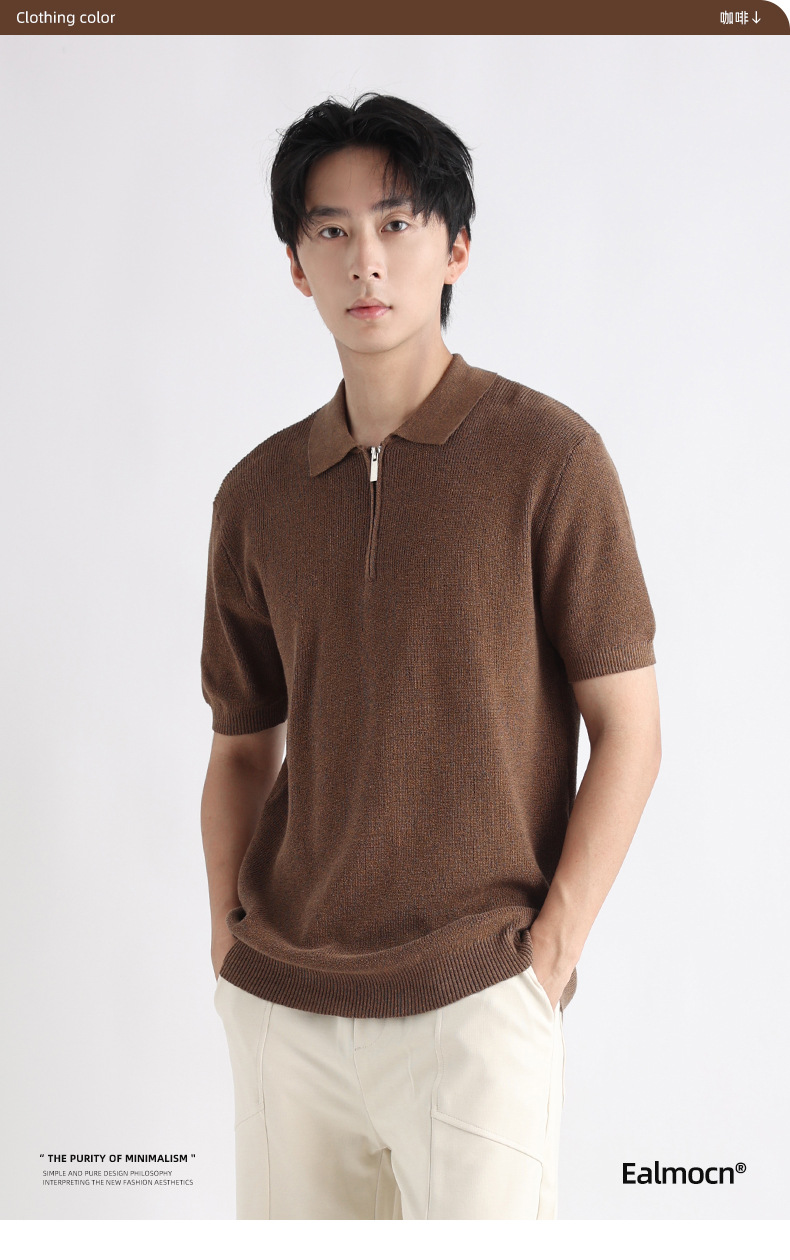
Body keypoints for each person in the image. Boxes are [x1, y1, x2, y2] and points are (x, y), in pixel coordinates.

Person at [200, 92, 661, 1221]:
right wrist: (228, 945)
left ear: (455, 247)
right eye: (331, 229)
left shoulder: (549, 458)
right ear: (296, 265)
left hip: (476, 995)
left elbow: (631, 732)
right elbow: (241, 750)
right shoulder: (256, 495)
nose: (365, 258)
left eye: (397, 223)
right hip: (286, 1007)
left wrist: (548, 955)